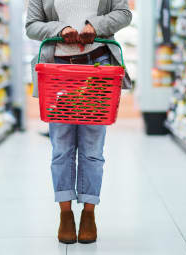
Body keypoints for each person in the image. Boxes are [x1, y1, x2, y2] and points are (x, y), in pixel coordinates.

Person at [26, 0, 132, 244]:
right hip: (57, 71)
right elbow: (32, 26)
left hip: (98, 68)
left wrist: (94, 25)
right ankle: (65, 214)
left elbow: (124, 13)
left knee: (92, 149)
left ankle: (88, 213)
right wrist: (60, 29)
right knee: (61, 147)